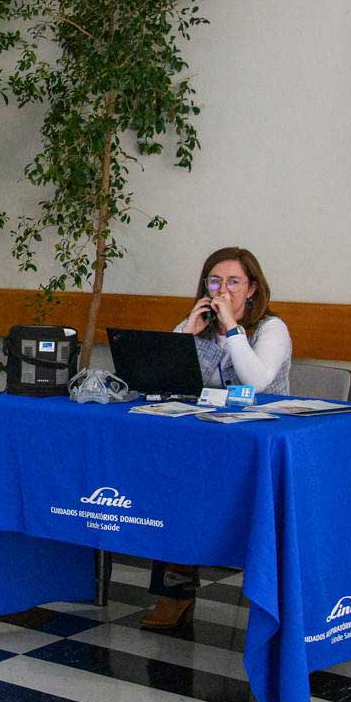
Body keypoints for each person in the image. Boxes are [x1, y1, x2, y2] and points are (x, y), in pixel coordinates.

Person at [142, 246, 293, 631]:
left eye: (233, 282)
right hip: (205, 441)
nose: (222, 289)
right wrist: (186, 335)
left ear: (253, 289)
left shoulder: (271, 328)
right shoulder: (198, 322)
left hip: (260, 444)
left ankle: (273, 599)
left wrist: (232, 330)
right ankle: (174, 592)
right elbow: (159, 382)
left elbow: (256, 382)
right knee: (171, 486)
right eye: (214, 281)